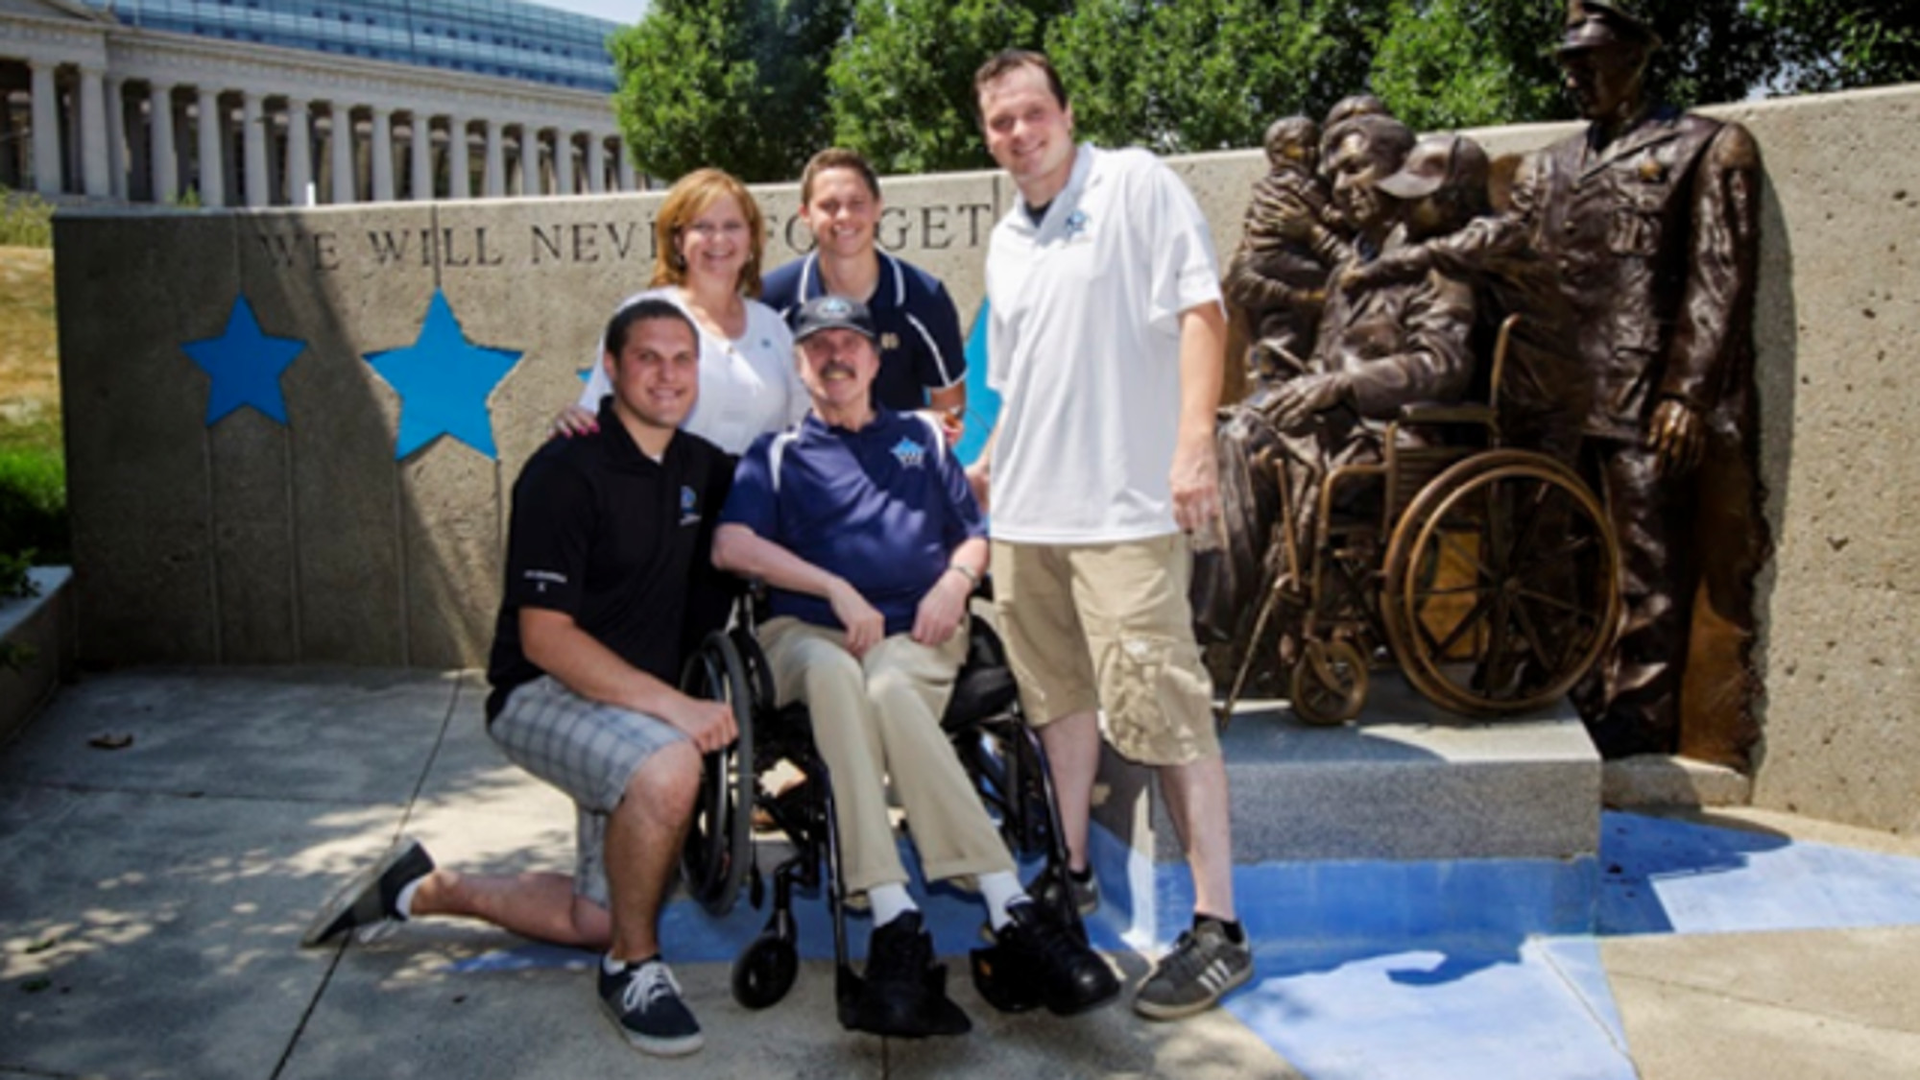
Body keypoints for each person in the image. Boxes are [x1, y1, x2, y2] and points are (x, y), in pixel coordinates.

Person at [303, 300, 737, 1058]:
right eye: (648, 358)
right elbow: (545, 638)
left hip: (630, 713)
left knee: (598, 916)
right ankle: (633, 970)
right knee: (670, 770)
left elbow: (795, 483)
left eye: (682, 359)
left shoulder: (701, 465)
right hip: (541, 694)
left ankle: (420, 888)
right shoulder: (564, 471)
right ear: (610, 366)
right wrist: (675, 706)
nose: (667, 375)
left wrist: (925, 441)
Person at [711, 295, 1119, 1038]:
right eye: (818, 346)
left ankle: (953, 913)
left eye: (849, 343)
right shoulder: (773, 453)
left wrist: (955, 583)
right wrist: (832, 587)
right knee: (839, 677)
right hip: (806, 633)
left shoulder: (921, 442)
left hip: (918, 628)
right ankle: (962, 906)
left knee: (892, 686)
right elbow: (730, 547)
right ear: (801, 365)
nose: (835, 356)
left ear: (873, 358)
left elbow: (974, 535)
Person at [965, 49, 1250, 1022]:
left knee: (1167, 708)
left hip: (1125, 512)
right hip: (1028, 520)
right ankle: (1072, 871)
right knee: (1059, 703)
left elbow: (1202, 311)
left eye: (1032, 113)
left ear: (1066, 112)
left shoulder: (1134, 182)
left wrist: (1193, 446)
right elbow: (1021, 377)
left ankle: (1219, 927)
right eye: (1000, 122)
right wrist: (993, 459)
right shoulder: (1005, 236)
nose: (1018, 133)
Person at [1512, 0, 1767, 760]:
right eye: (1567, 63)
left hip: (1642, 393)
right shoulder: (1550, 164)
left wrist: (1687, 392)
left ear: (1636, 54)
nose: (1574, 76)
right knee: (1560, 557)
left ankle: (1639, 720)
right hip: (1558, 399)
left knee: (1647, 562)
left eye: (1588, 60)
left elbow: (1718, 280)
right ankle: (1570, 694)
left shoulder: (1705, 148)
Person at [1344, 132, 1587, 465]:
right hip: (1489, 395)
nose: (1402, 210)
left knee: (1534, 509)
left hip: (1539, 403)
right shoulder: (1440, 238)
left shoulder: (1500, 235)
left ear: (1453, 200)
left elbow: (1451, 251)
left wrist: (1373, 270)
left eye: (1415, 199)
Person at [562, 168, 806, 454]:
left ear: (751, 239)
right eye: (702, 226)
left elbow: (801, 425)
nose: (718, 239)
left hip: (756, 496)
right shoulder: (642, 316)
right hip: (663, 496)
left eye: (732, 226)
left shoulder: (772, 326)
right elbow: (599, 413)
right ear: (678, 240)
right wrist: (573, 423)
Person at [762, 148, 969, 436]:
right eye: (829, 205)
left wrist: (905, 459)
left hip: (895, 472)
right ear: (805, 214)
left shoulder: (923, 297)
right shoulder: (773, 299)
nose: (844, 216)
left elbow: (949, 405)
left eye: (857, 203)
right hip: (802, 472)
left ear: (878, 207)